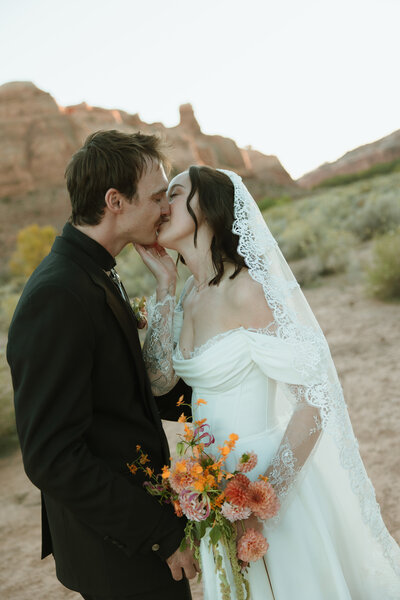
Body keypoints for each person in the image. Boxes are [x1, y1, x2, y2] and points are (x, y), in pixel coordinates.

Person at [136, 165, 400, 599]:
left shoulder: (249, 289)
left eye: (176, 192)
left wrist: (262, 498)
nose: (163, 205)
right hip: (212, 484)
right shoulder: (188, 295)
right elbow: (160, 380)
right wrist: (165, 284)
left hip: (266, 479)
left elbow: (314, 403)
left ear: (210, 207)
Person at [6, 130, 199, 600]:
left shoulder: (98, 271)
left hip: (136, 535)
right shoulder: (57, 294)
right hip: (119, 551)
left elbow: (132, 394)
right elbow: (52, 457)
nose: (166, 209)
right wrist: (161, 532)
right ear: (115, 200)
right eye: (157, 197)